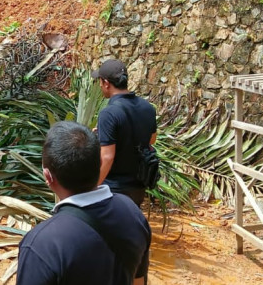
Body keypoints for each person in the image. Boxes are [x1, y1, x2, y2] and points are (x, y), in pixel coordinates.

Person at [16, 121, 151, 285]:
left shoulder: (42, 244)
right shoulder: (132, 211)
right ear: (100, 163)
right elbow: (138, 281)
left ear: (48, 176)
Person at [93, 59, 157, 207]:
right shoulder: (147, 108)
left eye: (100, 83)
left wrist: (93, 187)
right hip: (138, 187)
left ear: (106, 83)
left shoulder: (109, 113)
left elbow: (108, 157)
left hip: (114, 189)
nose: (101, 86)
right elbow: (152, 139)